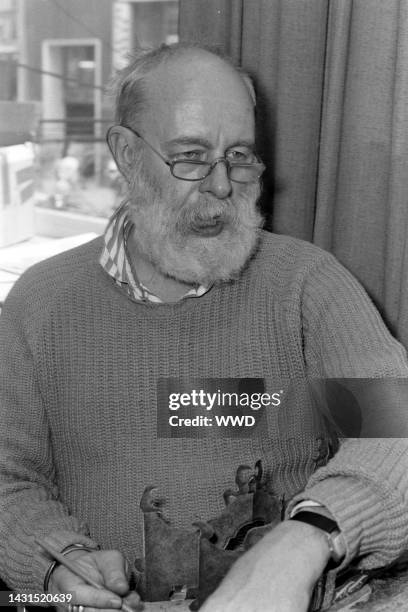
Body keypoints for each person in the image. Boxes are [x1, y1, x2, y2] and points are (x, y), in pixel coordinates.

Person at [1, 43, 408, 612]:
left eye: (239, 155)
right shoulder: (40, 304)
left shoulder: (307, 287)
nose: (222, 186)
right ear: (126, 154)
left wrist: (311, 535)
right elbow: (7, 478)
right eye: (191, 156)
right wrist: (53, 566)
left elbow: (395, 435)